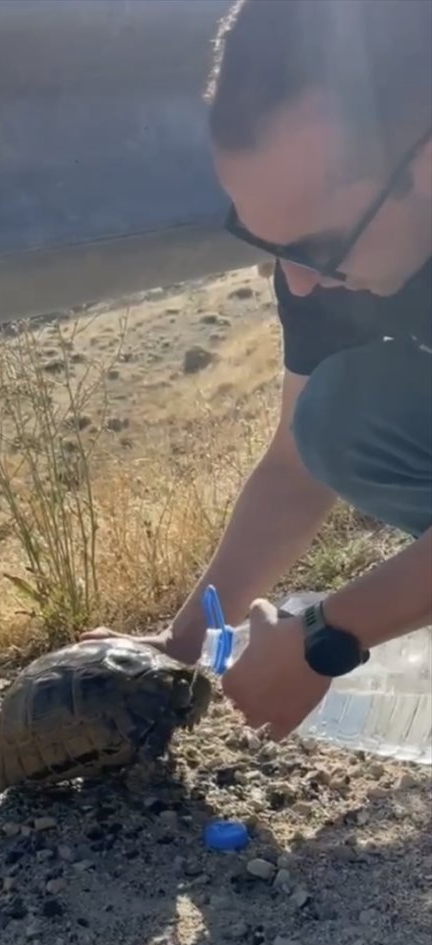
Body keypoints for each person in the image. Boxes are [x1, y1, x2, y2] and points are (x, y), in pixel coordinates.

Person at [82, 0, 432, 740]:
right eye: (264, 240)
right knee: (340, 415)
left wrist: (329, 637)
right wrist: (181, 645)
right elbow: (295, 468)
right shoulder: (328, 268)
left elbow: (328, 638)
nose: (296, 285)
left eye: (317, 244)